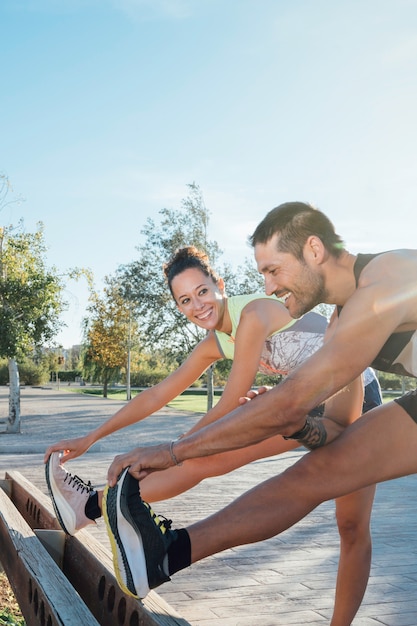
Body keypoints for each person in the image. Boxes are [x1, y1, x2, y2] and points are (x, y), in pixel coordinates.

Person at [101, 201, 417, 616]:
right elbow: (337, 426)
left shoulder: (389, 279)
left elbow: (287, 401)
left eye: (274, 270)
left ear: (314, 250)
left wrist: (173, 451)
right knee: (317, 472)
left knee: (347, 517)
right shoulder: (339, 323)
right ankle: (166, 556)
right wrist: (302, 428)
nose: (268, 288)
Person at [45, 245, 380, 626]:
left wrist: (172, 449)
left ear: (219, 285)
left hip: (355, 395)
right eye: (185, 300)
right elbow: (158, 393)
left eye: (202, 291)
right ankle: (88, 507)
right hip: (305, 403)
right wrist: (92, 436)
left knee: (351, 526)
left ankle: (89, 506)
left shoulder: (252, 314)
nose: (197, 305)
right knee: (203, 460)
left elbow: (228, 405)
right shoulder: (218, 341)